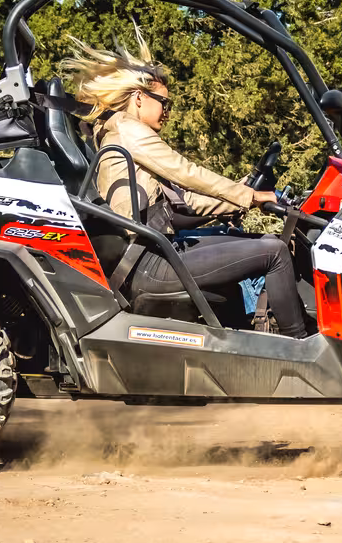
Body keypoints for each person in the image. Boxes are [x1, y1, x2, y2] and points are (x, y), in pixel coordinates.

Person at [60, 40, 310, 338]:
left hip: (151, 252)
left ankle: (259, 334)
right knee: (276, 251)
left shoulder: (119, 131)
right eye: (164, 103)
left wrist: (243, 200)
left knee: (254, 239)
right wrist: (249, 195)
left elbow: (183, 201)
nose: (168, 111)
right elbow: (186, 172)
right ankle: (300, 347)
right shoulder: (128, 130)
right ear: (139, 98)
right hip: (147, 262)